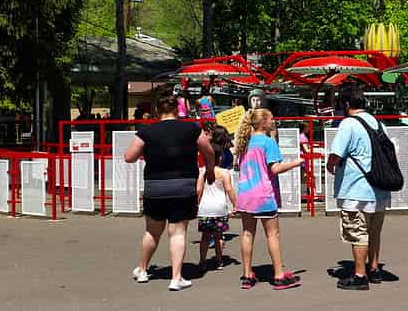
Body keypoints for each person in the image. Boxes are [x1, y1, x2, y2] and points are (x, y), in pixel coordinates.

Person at [124, 95, 216, 292]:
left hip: (155, 187)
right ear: (177, 110)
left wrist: (149, 153)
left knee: (152, 232)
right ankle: (176, 278)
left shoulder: (146, 131)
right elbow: (208, 151)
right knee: (178, 232)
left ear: (158, 110)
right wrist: (209, 170)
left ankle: (142, 270)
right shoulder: (192, 128)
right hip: (183, 186)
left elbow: (129, 157)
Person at [327, 82, 392, 291]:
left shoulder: (349, 124)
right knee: (374, 232)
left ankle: (360, 275)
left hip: (356, 190)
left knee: (358, 233)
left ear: (346, 104)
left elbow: (336, 153)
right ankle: (374, 269)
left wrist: (330, 165)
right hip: (379, 189)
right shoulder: (378, 123)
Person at [234, 108, 302, 290]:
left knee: (247, 233)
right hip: (264, 195)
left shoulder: (244, 142)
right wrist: (296, 163)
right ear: (264, 123)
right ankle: (279, 274)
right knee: (272, 234)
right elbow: (275, 168)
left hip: (246, 194)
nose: (274, 121)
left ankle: (247, 274)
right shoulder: (268, 142)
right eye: (271, 119)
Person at [197, 137, 237, 272]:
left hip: (205, 208)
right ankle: (219, 260)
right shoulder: (224, 172)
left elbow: (198, 190)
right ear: (220, 158)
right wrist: (235, 205)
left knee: (205, 237)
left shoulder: (202, 171)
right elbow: (229, 190)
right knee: (219, 236)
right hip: (220, 208)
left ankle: (202, 261)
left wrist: (196, 204)